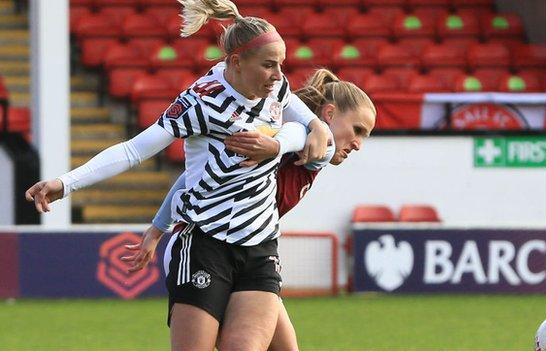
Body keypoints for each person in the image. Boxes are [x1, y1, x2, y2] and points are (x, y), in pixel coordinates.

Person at [24, 1, 335, 350]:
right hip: (204, 242)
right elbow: (133, 150)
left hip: (260, 243)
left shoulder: (274, 86)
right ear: (235, 62)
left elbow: (304, 123)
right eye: (268, 65)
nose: (279, 74)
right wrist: (65, 183)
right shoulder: (199, 104)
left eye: (280, 64)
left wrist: (306, 129)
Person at [124, 68, 377, 351]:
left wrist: (282, 143)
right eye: (357, 130)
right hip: (203, 244)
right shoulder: (277, 134)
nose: (358, 144)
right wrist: (158, 230)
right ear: (328, 114)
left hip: (251, 250)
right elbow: (195, 177)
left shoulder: (308, 149)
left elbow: (306, 136)